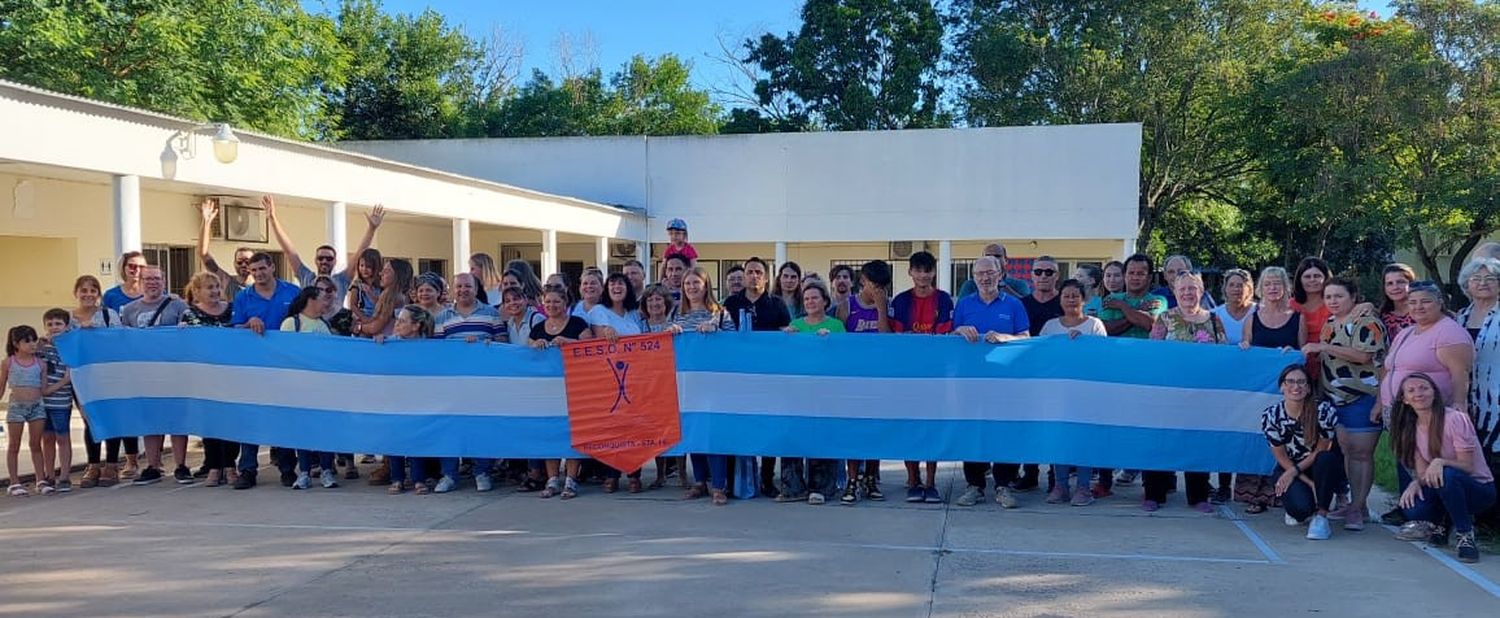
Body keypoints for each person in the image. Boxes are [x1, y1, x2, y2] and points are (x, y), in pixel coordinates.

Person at [1304, 278, 1386, 531]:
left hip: (1363, 397)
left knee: (1362, 454)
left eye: (1338, 296)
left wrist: (1324, 346)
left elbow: (1364, 356)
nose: (1333, 301)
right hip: (1334, 400)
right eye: (1328, 297)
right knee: (1348, 453)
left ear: (1353, 297)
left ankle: (1358, 507)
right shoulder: (1330, 323)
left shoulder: (1368, 322)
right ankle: (1355, 504)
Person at [1390, 373, 1496, 563]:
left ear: (1434, 393)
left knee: (1448, 475)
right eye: (1411, 390)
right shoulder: (1411, 428)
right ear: (1404, 399)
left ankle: (1465, 536)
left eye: (1424, 388)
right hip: (1444, 486)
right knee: (1414, 508)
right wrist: (1416, 483)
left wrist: (1440, 461)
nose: (1418, 394)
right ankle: (1443, 523)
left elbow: (1468, 466)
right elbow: (1424, 473)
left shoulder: (1455, 419)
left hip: (1478, 488)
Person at [952, 256, 1031, 508]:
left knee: (1004, 431)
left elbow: (1026, 338)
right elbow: (951, 339)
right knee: (973, 431)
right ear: (973, 277)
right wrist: (958, 331)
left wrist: (1006, 337)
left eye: (990, 272)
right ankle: (974, 485)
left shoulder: (1014, 305)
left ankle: (1003, 486)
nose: (985, 278)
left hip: (1005, 381)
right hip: (971, 382)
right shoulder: (964, 304)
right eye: (979, 274)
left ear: (1000, 274)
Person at [1146, 272, 1227, 513]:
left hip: (1202, 394)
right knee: (1161, 442)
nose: (1187, 293)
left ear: (1201, 292)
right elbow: (1152, 355)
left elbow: (1223, 357)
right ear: (1175, 292)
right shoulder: (1165, 318)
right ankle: (1154, 493)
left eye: (1192, 288)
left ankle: (1199, 495)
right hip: (1167, 393)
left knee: (1198, 441)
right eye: (1182, 289)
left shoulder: (1213, 320)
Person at [230, 252, 302, 490]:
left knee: (283, 417)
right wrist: (248, 323)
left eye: (262, 268)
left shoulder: (292, 292)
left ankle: (287, 468)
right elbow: (235, 329)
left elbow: (303, 321)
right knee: (251, 416)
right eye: (254, 271)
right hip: (254, 367)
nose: (259, 274)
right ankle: (248, 470)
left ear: (272, 267)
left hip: (284, 367)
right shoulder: (243, 297)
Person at [1234, 266, 1303, 513]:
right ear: (1261, 288)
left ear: (1286, 287)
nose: (1273, 288)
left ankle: (1283, 494)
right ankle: (1253, 494)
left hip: (1289, 396)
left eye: (1278, 283)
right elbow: (1247, 350)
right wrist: (1244, 347)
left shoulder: (1298, 318)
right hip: (1258, 396)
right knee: (1257, 439)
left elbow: (1303, 354)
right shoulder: (1252, 318)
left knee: (1284, 441)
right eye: (1268, 283)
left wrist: (1291, 353)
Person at [723, 257, 792, 497]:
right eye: (750, 272)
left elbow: (787, 336)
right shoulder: (730, 303)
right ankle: (736, 480)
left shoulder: (777, 303)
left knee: (769, 427)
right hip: (738, 377)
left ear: (765, 276)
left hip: (770, 377)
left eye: (758, 272)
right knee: (738, 425)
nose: (754, 276)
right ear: (743, 275)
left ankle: (766, 479)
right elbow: (722, 332)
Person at [663, 269, 733, 503]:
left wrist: (718, 333)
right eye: (687, 283)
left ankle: (719, 486)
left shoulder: (721, 313)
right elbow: (665, 344)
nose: (691, 287)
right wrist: (669, 333)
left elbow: (736, 345)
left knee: (713, 433)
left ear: (706, 285)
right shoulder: (675, 312)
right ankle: (700, 481)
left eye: (696, 282)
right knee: (693, 431)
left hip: (714, 383)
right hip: (686, 383)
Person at [890, 251, 953, 503]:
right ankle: (913, 480)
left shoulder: (944, 300)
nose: (923, 275)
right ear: (910, 272)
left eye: (927, 270)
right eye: (918, 270)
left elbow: (943, 338)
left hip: (935, 376)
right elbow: (897, 338)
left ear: (934, 273)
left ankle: (930, 482)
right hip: (907, 375)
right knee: (910, 426)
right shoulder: (901, 300)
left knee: (932, 427)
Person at [1039, 280, 1108, 506]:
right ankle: (1060, 486)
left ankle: (1083, 488)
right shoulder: (1050, 326)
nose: (1070, 300)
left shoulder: (1094, 325)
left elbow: (1103, 355)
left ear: (1083, 299)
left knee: (1083, 440)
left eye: (1075, 296)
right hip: (1057, 393)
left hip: (1087, 393)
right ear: (1060, 299)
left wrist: (1084, 342)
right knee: (1060, 439)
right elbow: (1039, 355)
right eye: (1066, 296)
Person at [120, 265, 191, 485]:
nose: (152, 283)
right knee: (151, 421)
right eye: (148, 279)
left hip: (174, 372)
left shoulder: (178, 305)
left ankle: (180, 465)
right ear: (140, 281)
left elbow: (193, 328)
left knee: (177, 420)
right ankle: (153, 465)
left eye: (157, 279)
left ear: (164, 281)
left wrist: (185, 327)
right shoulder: (130, 310)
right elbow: (122, 340)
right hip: (145, 373)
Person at [777, 280, 844, 506]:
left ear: (825, 301)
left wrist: (831, 343)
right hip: (797, 392)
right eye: (806, 299)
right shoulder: (795, 324)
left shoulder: (835, 326)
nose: (810, 302)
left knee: (821, 436)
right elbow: (785, 358)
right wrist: (786, 338)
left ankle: (822, 488)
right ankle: (792, 488)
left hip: (826, 392)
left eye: (815, 298)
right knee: (793, 435)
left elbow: (844, 358)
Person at [1262, 365, 1343, 540]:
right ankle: (1301, 506)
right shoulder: (1272, 416)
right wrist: (1303, 479)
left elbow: (1323, 448)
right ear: (1282, 386)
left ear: (1308, 388)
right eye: (1290, 381)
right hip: (1289, 465)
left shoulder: (1323, 411)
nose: (1296, 387)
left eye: (1301, 382)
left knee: (1327, 459)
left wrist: (1299, 474)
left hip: (1317, 465)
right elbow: (1281, 456)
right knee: (1301, 510)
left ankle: (1322, 516)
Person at [529, 287, 595, 499]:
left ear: (565, 303)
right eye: (548, 302)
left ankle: (571, 479)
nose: (551, 306)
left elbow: (591, 347)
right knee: (550, 432)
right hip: (547, 391)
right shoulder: (538, 328)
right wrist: (535, 344)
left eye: (556, 302)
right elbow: (526, 350)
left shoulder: (578, 324)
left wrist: (570, 343)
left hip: (576, 387)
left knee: (573, 432)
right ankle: (552, 479)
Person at [68, 275, 133, 488]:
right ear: (76, 293)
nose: (88, 294)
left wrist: (96, 333)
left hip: (108, 375)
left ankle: (112, 465)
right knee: (90, 420)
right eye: (83, 290)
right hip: (81, 377)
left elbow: (118, 341)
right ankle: (93, 465)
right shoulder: (69, 319)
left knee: (111, 419)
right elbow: (59, 341)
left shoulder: (108, 315)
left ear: (98, 294)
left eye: (92, 290)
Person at [275, 286, 341, 490]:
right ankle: (304, 471)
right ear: (311, 300)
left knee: (325, 430)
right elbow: (285, 353)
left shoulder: (324, 324)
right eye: (323, 299)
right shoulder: (291, 323)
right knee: (302, 430)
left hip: (322, 387)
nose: (327, 303)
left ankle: (326, 470)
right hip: (298, 387)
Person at [265, 195, 384, 306]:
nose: (324, 261)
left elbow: (360, 253)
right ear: (315, 260)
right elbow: (289, 251)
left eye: (329, 258)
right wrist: (272, 219)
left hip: (334, 328)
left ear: (335, 261)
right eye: (320, 258)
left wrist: (371, 229)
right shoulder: (307, 277)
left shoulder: (341, 280)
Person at [179, 271, 239, 486]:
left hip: (230, 376)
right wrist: (182, 334)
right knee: (210, 423)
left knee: (231, 422)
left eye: (216, 286)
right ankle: (214, 466)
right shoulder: (190, 316)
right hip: (204, 378)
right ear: (197, 292)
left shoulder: (232, 311)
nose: (214, 291)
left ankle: (230, 465)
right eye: (209, 287)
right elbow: (186, 348)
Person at [382, 305, 438, 495]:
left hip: (418, 399)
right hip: (395, 398)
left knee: (416, 439)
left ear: (416, 326)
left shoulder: (429, 347)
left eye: (402, 321)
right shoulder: (390, 344)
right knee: (394, 437)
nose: (397, 324)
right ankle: (397, 478)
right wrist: (379, 343)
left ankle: (418, 479)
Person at [1457, 258, 1499, 463]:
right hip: (1468, 399)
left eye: (1490, 278)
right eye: (1476, 278)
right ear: (1467, 285)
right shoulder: (1460, 317)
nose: (1483, 283)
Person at [3, 326, 47, 496]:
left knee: (36, 444)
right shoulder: (8, 362)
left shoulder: (40, 363)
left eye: (34, 340)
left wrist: (65, 380)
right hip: (16, 407)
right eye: (26, 341)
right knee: (14, 445)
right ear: (16, 344)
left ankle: (41, 480)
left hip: (37, 406)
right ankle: (14, 482)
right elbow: (1, 386)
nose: (32, 344)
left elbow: (44, 389)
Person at [38, 309, 75, 492]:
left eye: (58, 324)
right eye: (50, 324)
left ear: (66, 326)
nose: (54, 327)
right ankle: (49, 474)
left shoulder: (70, 347)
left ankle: (65, 476)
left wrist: (48, 390)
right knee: (47, 439)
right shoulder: (41, 347)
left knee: (63, 438)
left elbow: (69, 377)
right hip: (43, 404)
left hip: (60, 402)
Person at [1100, 254, 1168, 339]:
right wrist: (1139, 311)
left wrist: (1122, 306)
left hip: (1145, 351)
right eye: (1131, 273)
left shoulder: (1158, 300)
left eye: (1140, 274)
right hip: (1116, 351)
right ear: (1125, 276)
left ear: (1149, 277)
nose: (1135, 277)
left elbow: (1150, 325)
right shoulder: (1111, 299)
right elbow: (1107, 329)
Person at [196, 200, 255, 298]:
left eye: (247, 261)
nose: (244, 265)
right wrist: (206, 222)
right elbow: (203, 254)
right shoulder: (227, 281)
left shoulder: (265, 287)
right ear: (234, 264)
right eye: (240, 262)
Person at [354, 259, 414, 338]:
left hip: (387, 342)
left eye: (386, 271)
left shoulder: (395, 297)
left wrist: (358, 327)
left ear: (397, 275)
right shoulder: (389, 295)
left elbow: (375, 327)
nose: (380, 274)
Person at [436, 273, 503, 344]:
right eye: (459, 286)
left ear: (476, 290)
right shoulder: (441, 317)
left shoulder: (492, 313)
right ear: (453, 291)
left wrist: (487, 344)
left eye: (468, 286)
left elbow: (503, 343)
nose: (463, 289)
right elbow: (438, 347)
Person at [958, 243, 1031, 298]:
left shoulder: (1019, 285)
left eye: (997, 256)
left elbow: (1026, 309)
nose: (992, 259)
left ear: (1006, 260)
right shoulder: (970, 285)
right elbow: (961, 311)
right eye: (988, 256)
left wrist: (1003, 286)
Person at [1152, 255, 1217, 310]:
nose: (1176, 275)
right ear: (1165, 276)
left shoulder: (1202, 297)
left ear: (1190, 273)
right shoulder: (1155, 297)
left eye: (1180, 271)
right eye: (1171, 272)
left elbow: (1215, 320)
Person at [1021, 256, 1064, 337]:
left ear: (1057, 275)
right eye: (1038, 272)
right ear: (1032, 275)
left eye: (1049, 272)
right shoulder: (1020, 304)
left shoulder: (1067, 303)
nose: (1043, 276)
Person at [1211, 269, 1255, 347]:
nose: (1236, 289)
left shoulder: (1259, 312)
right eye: (1231, 285)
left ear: (1249, 289)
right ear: (1225, 289)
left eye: (1240, 285)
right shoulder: (1213, 315)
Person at [1380, 263, 1418, 343]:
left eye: (1400, 282)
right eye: (1390, 283)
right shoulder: (1381, 316)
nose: (1395, 287)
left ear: (1411, 284)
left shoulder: (1422, 312)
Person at [348, 248, 383, 321]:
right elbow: (353, 305)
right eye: (361, 265)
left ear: (376, 267)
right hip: (362, 317)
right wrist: (364, 318)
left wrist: (370, 293)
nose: (364, 269)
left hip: (379, 317)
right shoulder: (357, 284)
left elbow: (383, 304)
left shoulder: (381, 285)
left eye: (368, 267)